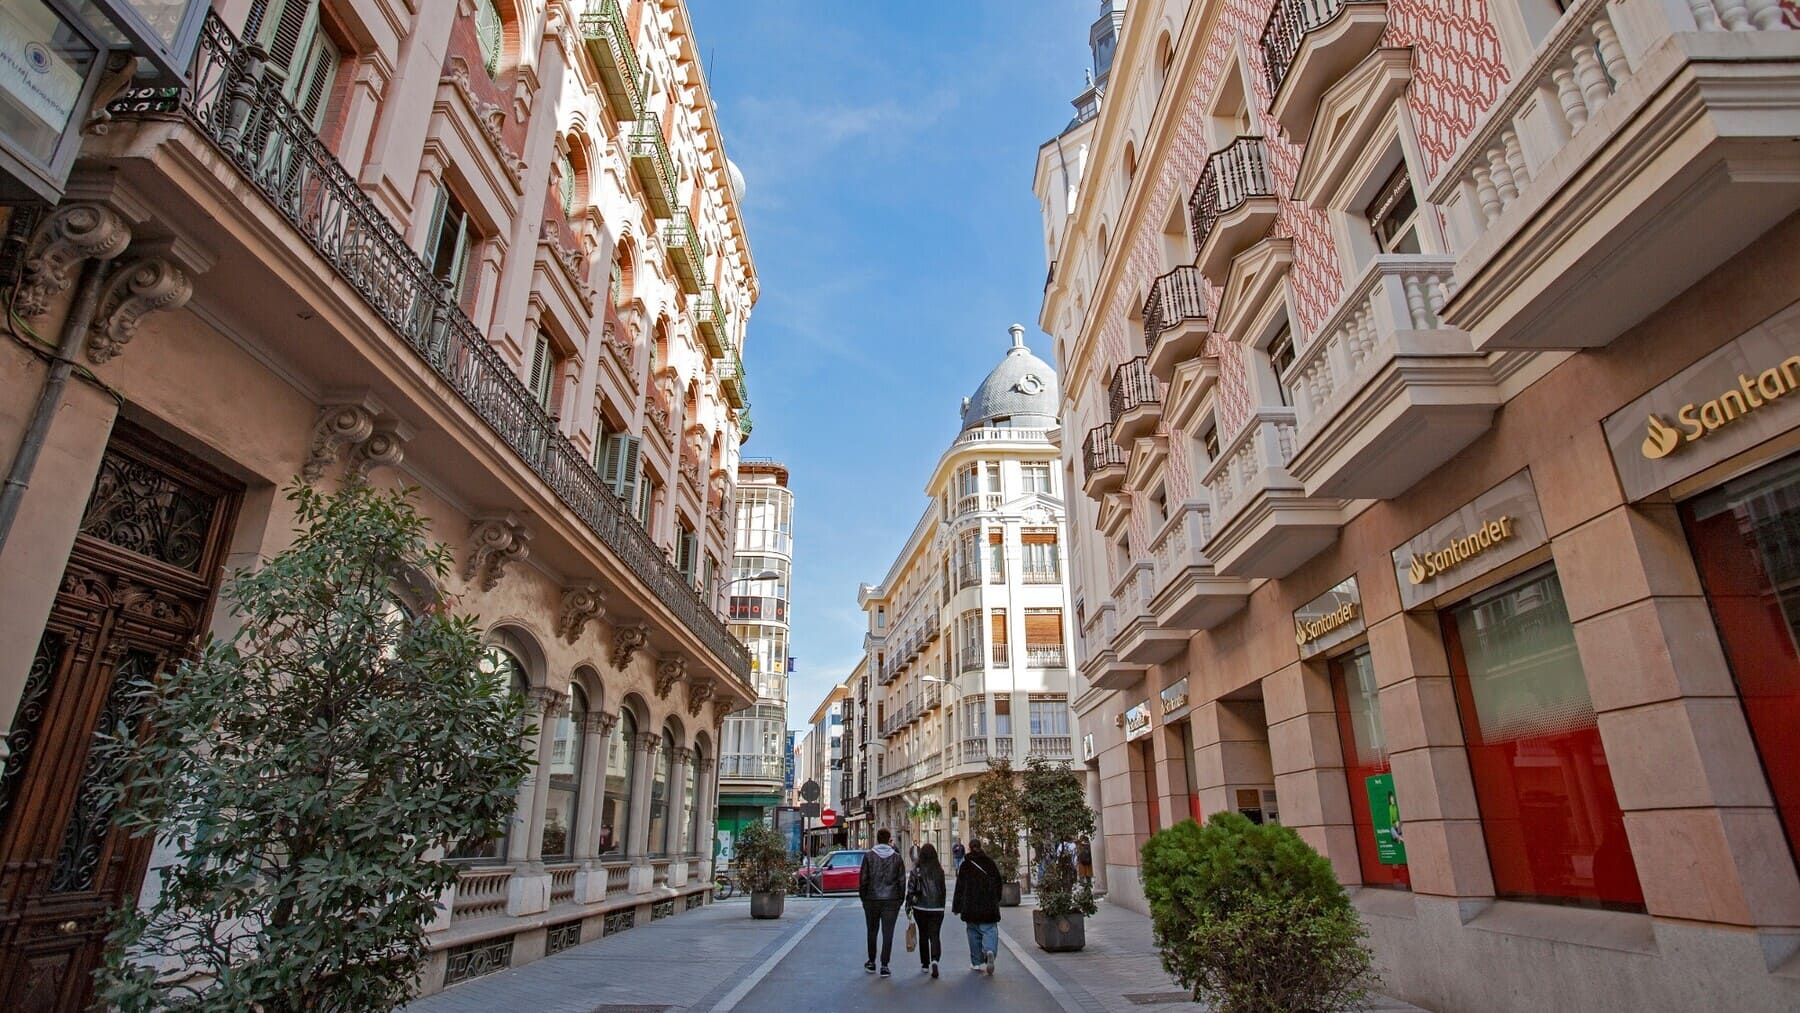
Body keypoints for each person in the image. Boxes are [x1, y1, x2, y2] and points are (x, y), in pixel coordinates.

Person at [859, 827, 906, 977]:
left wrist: (864, 898)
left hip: (872, 899)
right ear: (889, 839)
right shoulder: (897, 858)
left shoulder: (869, 856)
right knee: (888, 933)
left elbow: (863, 880)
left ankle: (871, 962)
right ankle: (885, 965)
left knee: (872, 932)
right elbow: (902, 881)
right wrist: (900, 900)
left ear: (877, 839)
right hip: (891, 900)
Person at [951, 837, 1002, 976]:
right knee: (990, 929)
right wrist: (996, 899)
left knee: (973, 933)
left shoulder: (965, 865)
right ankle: (989, 950)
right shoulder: (990, 863)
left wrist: (957, 906)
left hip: (971, 906)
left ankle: (976, 962)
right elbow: (998, 882)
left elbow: (960, 887)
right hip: (988, 906)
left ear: (969, 848)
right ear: (980, 847)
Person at [905, 843, 948, 978]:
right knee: (935, 934)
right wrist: (942, 905)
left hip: (921, 907)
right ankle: (935, 959)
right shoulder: (939, 870)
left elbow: (911, 889)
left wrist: (908, 906)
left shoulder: (916, 870)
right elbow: (943, 890)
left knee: (923, 934)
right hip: (937, 907)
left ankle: (925, 964)